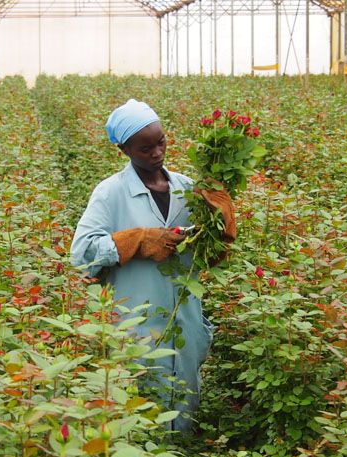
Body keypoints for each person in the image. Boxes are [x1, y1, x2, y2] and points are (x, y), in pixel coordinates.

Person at [70, 99, 234, 432]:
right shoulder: (111, 193)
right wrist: (137, 240)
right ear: (124, 150)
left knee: (183, 412)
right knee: (141, 415)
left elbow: (210, 256)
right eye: (145, 148)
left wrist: (223, 223)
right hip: (136, 327)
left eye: (161, 142)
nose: (157, 153)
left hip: (185, 323)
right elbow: (82, 253)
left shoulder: (188, 190)